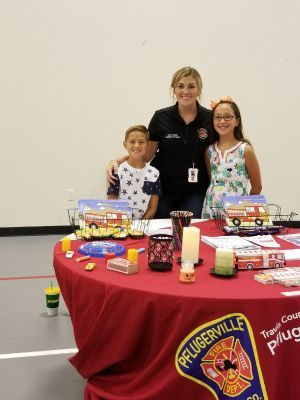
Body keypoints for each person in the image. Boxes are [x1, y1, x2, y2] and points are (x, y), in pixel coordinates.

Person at [107, 66, 211, 218]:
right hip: (163, 189)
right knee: (159, 233)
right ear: (173, 89)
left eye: (191, 86)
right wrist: (115, 161)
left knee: (187, 233)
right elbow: (146, 155)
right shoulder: (161, 117)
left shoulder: (209, 118)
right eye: (180, 86)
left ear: (199, 89)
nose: (185, 91)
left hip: (195, 192)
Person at [201, 96, 262, 219]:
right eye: (217, 117)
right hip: (211, 210)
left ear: (237, 121)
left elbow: (257, 186)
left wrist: (245, 210)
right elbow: (212, 181)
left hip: (238, 213)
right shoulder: (209, 151)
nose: (222, 121)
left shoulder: (245, 150)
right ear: (212, 121)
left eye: (228, 116)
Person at [107, 125, 161, 219]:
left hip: (142, 227)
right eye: (132, 141)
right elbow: (112, 203)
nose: (136, 145)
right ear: (125, 144)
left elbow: (152, 208)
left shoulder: (154, 174)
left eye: (141, 142)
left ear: (148, 145)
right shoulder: (117, 171)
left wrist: (140, 227)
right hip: (120, 225)